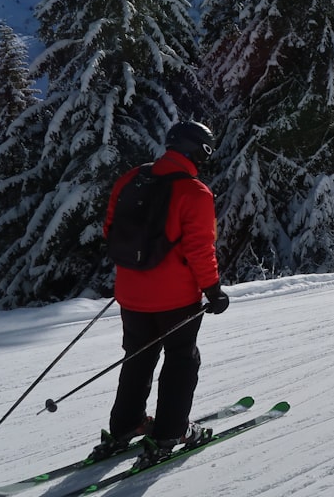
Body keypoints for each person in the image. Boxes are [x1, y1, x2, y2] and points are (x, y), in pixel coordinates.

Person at [91, 121, 230, 466]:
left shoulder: (132, 178)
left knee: (137, 356)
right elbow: (201, 248)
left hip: (131, 293)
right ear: (198, 149)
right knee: (182, 359)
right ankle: (171, 431)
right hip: (175, 299)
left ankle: (126, 425)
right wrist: (213, 291)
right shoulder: (195, 191)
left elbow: (110, 229)